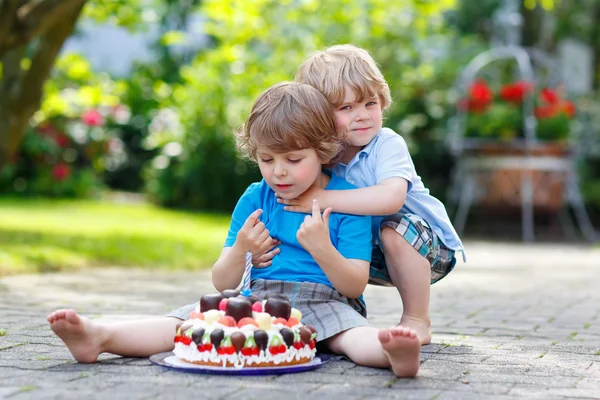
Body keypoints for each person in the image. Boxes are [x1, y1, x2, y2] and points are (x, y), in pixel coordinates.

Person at [47, 81, 421, 377]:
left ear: (324, 150)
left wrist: (322, 248)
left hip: (325, 301)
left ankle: (393, 353)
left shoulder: (347, 201)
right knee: (185, 322)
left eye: (294, 159)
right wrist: (241, 246)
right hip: (254, 299)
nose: (279, 171)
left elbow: (354, 286)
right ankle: (100, 337)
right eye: (266, 159)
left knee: (348, 338)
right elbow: (221, 281)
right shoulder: (256, 198)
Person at [273, 44, 466, 345]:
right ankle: (336, 314)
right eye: (346, 108)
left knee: (395, 230)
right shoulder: (324, 158)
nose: (362, 116)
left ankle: (417, 319)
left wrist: (324, 199)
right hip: (368, 251)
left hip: (427, 249)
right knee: (315, 232)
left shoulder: (387, 144)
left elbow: (391, 199)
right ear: (319, 116)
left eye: (369, 104)